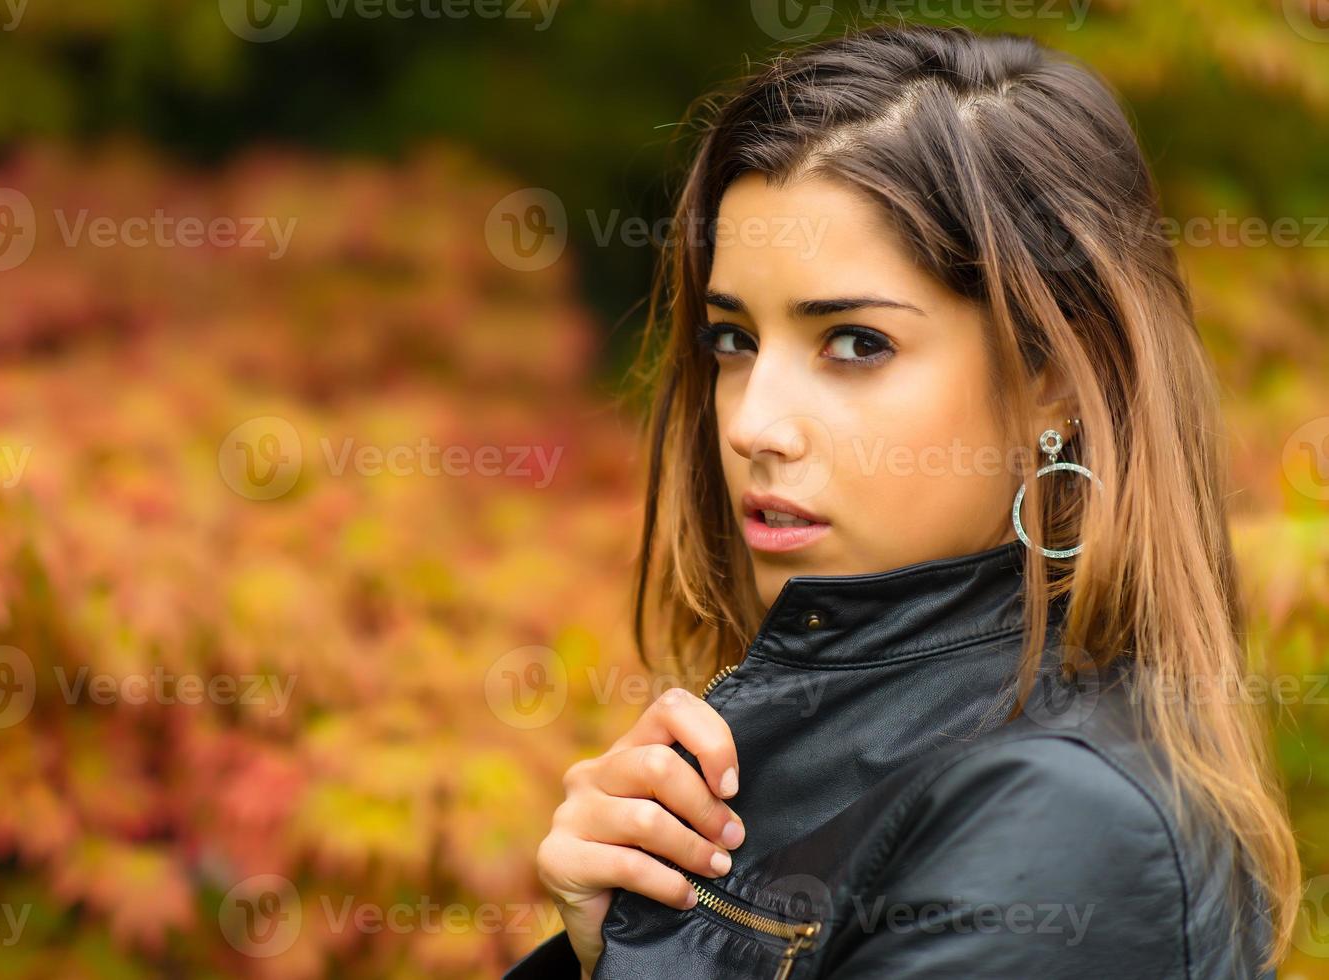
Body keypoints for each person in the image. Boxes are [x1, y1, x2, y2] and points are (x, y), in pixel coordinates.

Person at [506, 23, 1297, 979]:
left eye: (854, 344)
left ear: (1053, 372)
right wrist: (602, 945)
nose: (754, 423)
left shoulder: (1061, 825)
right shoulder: (807, 749)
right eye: (732, 340)